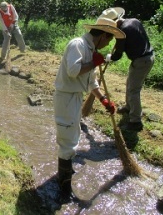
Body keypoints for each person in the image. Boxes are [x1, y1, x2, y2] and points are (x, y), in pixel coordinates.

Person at [54, 16, 125, 201]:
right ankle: (63, 188)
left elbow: (92, 82)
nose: (108, 43)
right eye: (109, 39)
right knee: (67, 141)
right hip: (66, 97)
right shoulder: (77, 45)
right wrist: (94, 62)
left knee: (73, 135)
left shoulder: (91, 49)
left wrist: (104, 100)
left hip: (75, 97)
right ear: (102, 35)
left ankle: (66, 171)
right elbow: (73, 71)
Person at [104, 8, 155, 132]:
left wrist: (110, 57)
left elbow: (119, 54)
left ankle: (135, 121)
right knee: (130, 84)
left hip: (141, 60)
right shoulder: (134, 21)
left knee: (133, 90)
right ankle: (128, 107)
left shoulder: (122, 32)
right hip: (146, 57)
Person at [0, 1, 26, 65]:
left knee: (19, 35)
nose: (4, 10)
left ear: (7, 6)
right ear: (1, 8)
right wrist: (7, 32)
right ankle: (3, 56)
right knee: (6, 40)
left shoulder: (11, 7)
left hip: (14, 24)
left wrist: (12, 24)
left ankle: (22, 50)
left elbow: (16, 16)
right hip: (6, 27)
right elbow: (2, 24)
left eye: (5, 8)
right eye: (3, 9)